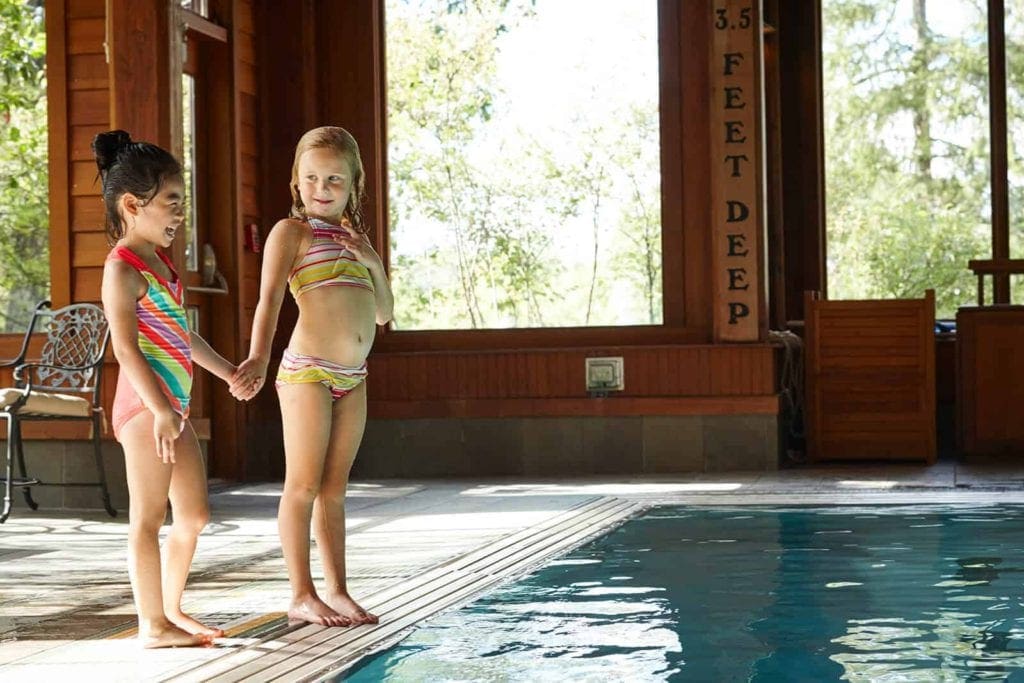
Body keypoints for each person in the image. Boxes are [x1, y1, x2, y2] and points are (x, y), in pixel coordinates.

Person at [231, 126, 393, 627]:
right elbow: (270, 298)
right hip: (308, 374)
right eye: (311, 178)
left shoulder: (356, 241)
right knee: (302, 485)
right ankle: (301, 593)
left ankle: (338, 590)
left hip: (354, 375)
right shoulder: (291, 232)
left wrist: (371, 260)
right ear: (296, 183)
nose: (322, 188)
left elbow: (385, 314)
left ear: (354, 186)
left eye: (335, 180)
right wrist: (258, 356)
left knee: (335, 489)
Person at [96, 130, 236, 648]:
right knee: (148, 517)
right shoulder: (122, 269)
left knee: (195, 514)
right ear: (133, 205)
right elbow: (126, 349)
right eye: (172, 203)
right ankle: (151, 626)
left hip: (169, 408)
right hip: (144, 408)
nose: (180, 215)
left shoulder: (162, 263)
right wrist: (159, 409)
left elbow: (182, 334)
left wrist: (227, 371)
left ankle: (170, 610)